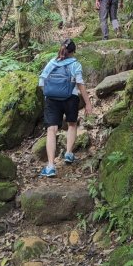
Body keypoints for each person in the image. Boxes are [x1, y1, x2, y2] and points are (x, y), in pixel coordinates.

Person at [39, 38, 92, 177]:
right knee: (72, 124)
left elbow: (41, 81)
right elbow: (80, 84)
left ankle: (50, 166)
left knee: (51, 130)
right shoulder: (75, 64)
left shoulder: (52, 62)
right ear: (73, 51)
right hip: (71, 97)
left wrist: (50, 92)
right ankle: (68, 153)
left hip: (52, 99)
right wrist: (88, 103)